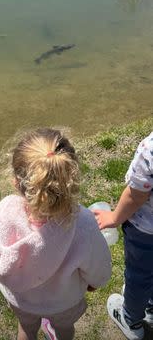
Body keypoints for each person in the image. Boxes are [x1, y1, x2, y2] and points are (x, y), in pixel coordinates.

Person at [0, 128, 111, 340]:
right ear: (71, 177)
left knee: (25, 328)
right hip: (63, 302)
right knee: (64, 331)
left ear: (16, 182)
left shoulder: (4, 212)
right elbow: (100, 270)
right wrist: (94, 283)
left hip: (20, 300)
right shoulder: (83, 223)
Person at [94, 132, 153, 340]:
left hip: (145, 233)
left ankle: (131, 320)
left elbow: (137, 195)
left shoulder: (150, 148)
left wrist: (115, 217)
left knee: (139, 278)